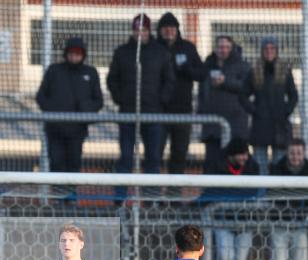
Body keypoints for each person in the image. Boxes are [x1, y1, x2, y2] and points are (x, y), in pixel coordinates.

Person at [106, 14, 174, 178]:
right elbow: (112, 79)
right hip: (128, 112)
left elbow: (169, 80)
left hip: (153, 113)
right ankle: (120, 201)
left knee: (153, 158)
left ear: (148, 31)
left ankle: (151, 201)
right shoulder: (122, 52)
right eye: (137, 30)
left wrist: (161, 100)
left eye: (143, 30)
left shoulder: (160, 52)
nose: (140, 34)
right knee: (126, 158)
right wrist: (120, 98)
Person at [201, 137, 260, 260]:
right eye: (240, 154)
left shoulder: (253, 167)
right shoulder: (218, 165)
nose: (244, 157)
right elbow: (212, 191)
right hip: (223, 221)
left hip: (245, 223)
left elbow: (252, 191)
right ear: (232, 155)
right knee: (226, 259)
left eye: (245, 154)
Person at [36, 37, 103, 174]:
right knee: (56, 163)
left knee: (74, 164)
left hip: (77, 130)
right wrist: (54, 111)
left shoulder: (90, 73)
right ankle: (58, 194)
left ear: (83, 55)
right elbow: (41, 96)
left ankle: (70, 195)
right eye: (71, 53)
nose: (74, 56)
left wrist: (85, 108)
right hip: (55, 129)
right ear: (66, 54)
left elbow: (98, 100)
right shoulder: (54, 71)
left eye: (78, 53)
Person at [156, 12, 206, 174]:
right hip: (159, 111)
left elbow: (201, 74)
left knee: (179, 154)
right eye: (165, 28)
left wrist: (186, 69)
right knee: (155, 154)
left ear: (177, 29)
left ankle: (174, 196)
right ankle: (151, 196)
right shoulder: (154, 48)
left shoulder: (187, 47)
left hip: (183, 110)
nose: (168, 31)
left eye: (172, 28)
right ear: (160, 30)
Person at [241, 36, 297, 174]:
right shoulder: (254, 71)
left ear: (277, 50)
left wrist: (286, 111)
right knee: (260, 165)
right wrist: (255, 110)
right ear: (261, 51)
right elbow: (242, 95)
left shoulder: (285, 70)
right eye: (266, 48)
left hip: (280, 125)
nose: (269, 51)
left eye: (272, 48)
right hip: (260, 125)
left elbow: (293, 95)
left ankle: (275, 195)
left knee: (279, 164)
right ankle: (260, 195)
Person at [198, 36, 251, 172]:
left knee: (233, 163)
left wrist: (225, 82)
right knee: (211, 163)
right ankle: (209, 192)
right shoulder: (208, 65)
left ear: (231, 48)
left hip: (236, 125)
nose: (223, 50)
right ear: (215, 49)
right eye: (221, 47)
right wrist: (201, 111)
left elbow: (247, 87)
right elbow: (201, 92)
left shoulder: (242, 65)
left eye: (227, 47)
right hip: (212, 126)